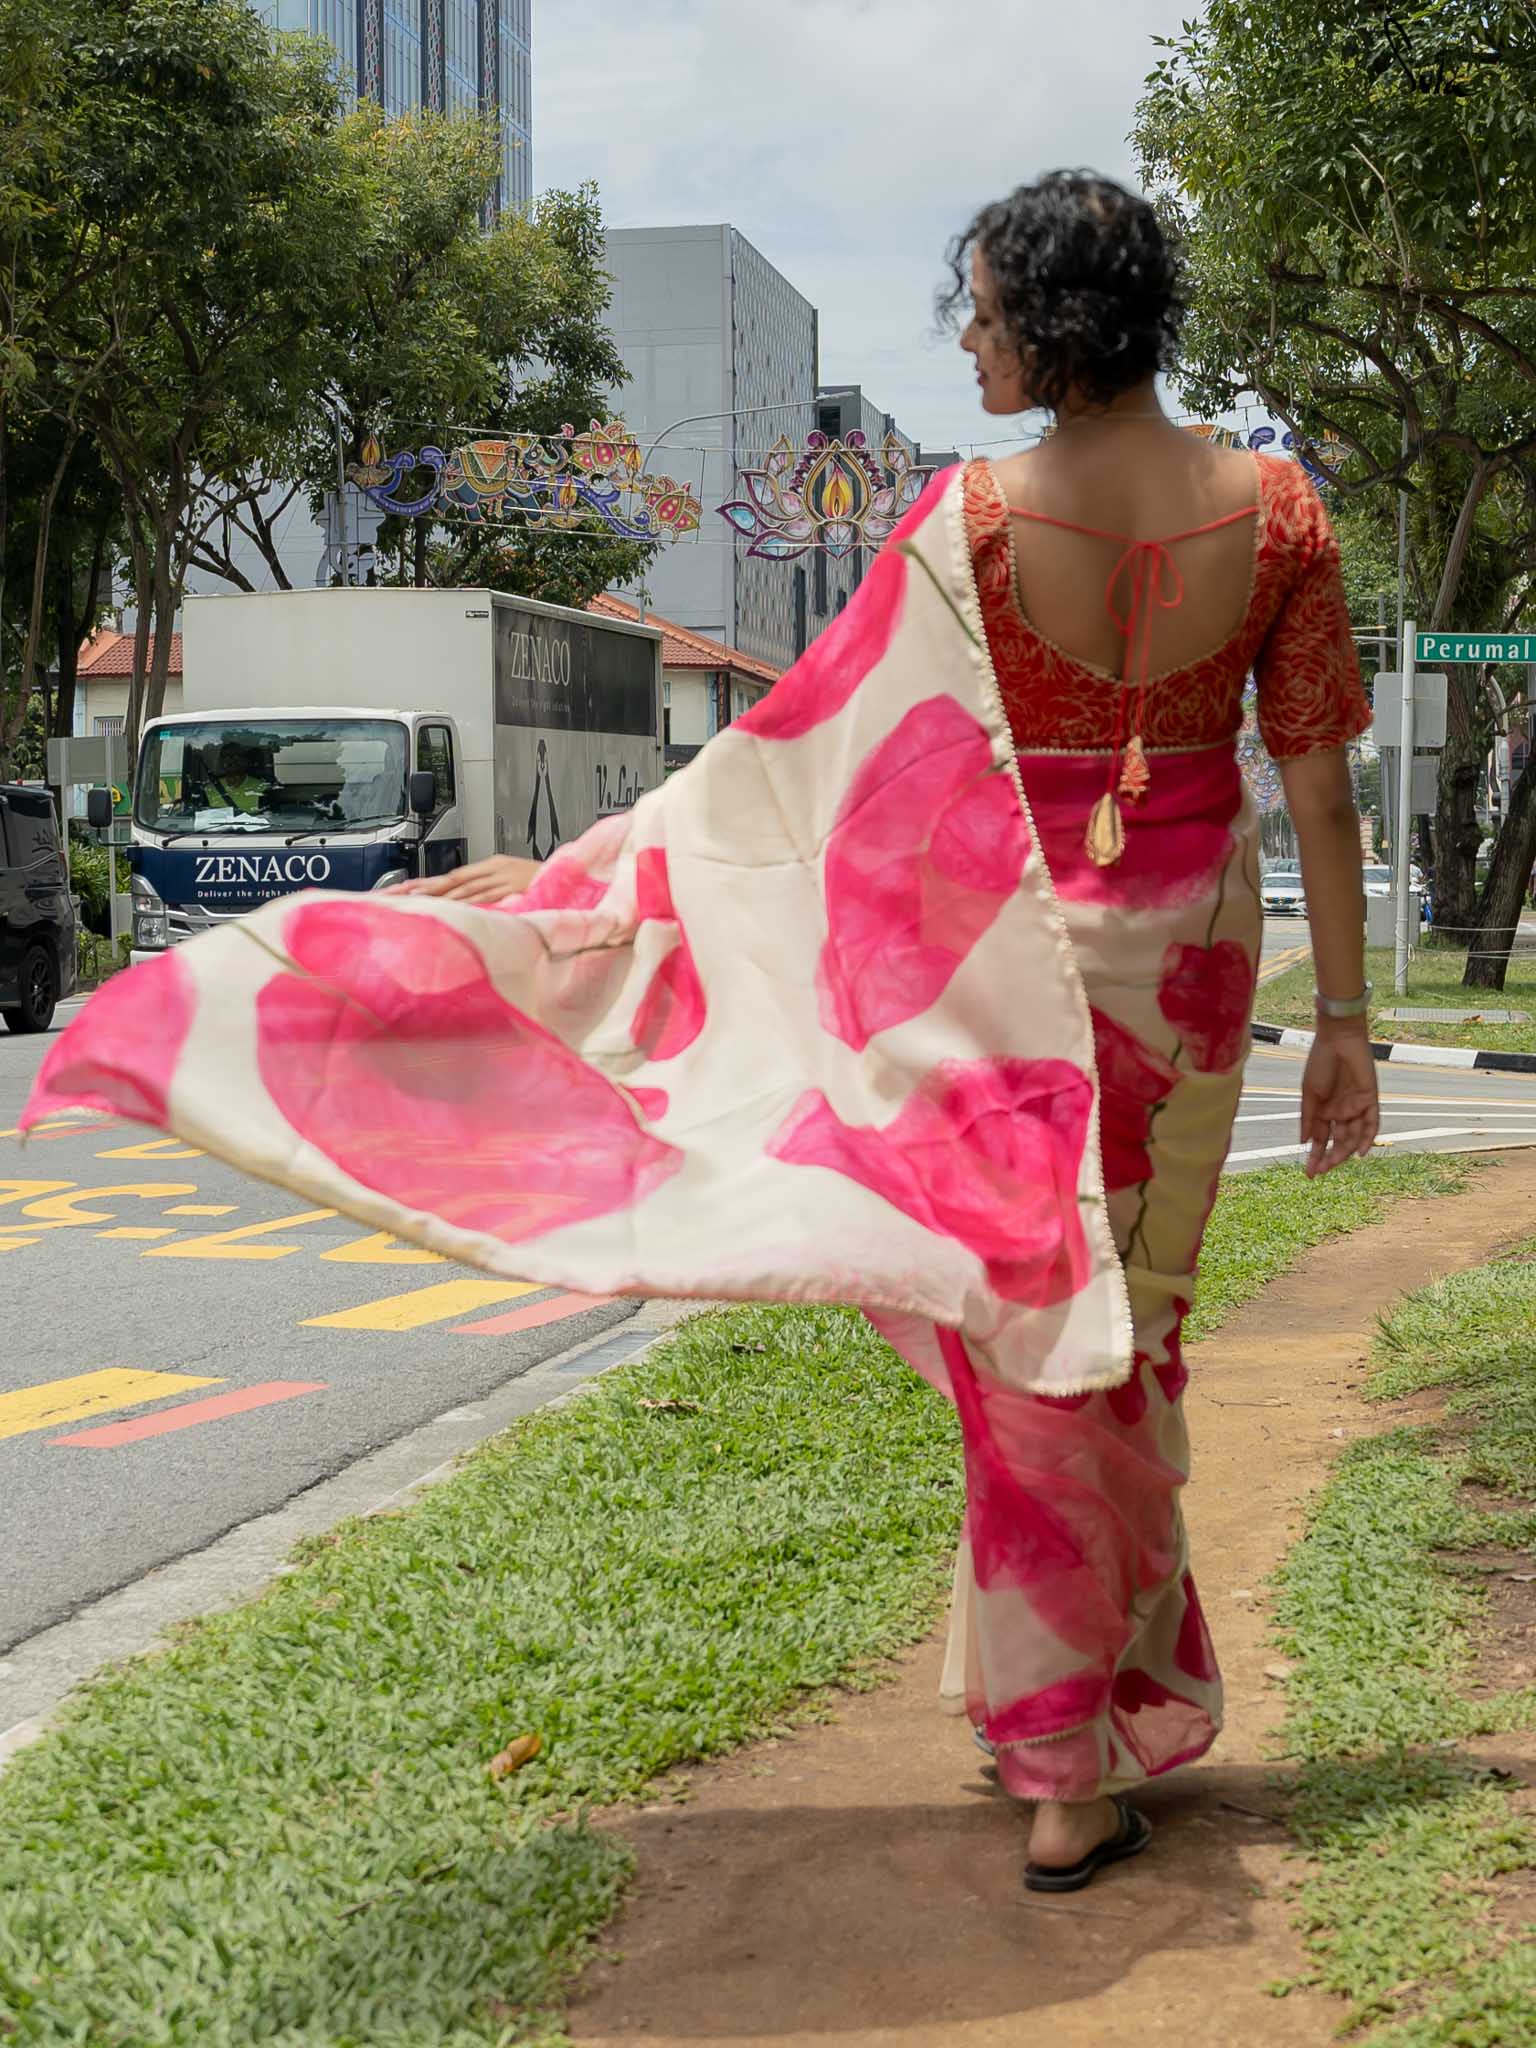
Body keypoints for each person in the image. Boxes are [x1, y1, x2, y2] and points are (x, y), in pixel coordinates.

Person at [26, 172, 1379, 1898]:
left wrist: (591, 875)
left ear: (1052, 321)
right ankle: (1086, 1717)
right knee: (1137, 1326)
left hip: (985, 970)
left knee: (1032, 1332)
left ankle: (1061, 1761)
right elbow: (1323, 785)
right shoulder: (1279, 516)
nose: (964, 334)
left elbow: (791, 765)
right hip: (1187, 963)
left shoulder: (965, 522)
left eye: (978, 306)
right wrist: (1340, 1020)